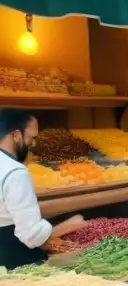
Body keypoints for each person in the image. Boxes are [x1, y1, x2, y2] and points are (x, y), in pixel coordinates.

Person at [0, 110, 86, 267]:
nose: (33, 144)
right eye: (31, 138)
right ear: (16, 135)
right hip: (14, 260)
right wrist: (67, 226)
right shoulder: (15, 172)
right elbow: (30, 234)